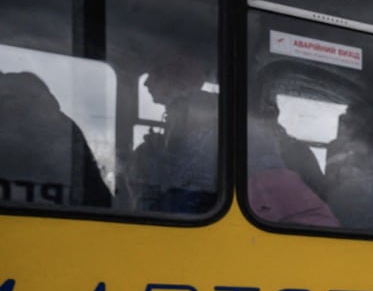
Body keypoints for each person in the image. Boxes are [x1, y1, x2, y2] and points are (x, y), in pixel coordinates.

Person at [0, 70, 110, 208]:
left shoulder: (66, 131)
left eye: (10, 99)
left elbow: (96, 195)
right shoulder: (68, 128)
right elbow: (99, 198)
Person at [129, 49, 219, 213]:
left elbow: (190, 182)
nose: (146, 83)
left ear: (177, 80)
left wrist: (151, 158)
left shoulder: (202, 118)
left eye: (155, 74)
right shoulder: (179, 118)